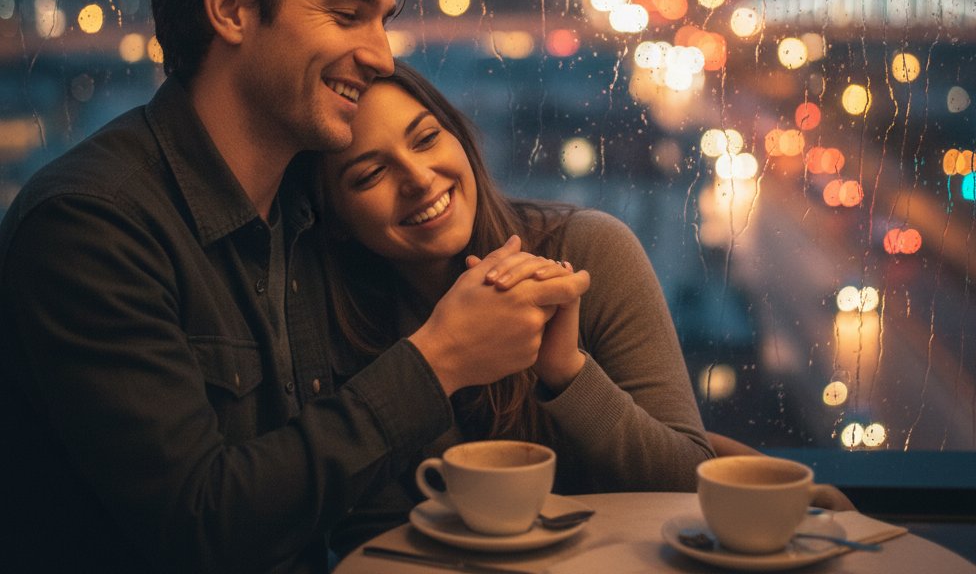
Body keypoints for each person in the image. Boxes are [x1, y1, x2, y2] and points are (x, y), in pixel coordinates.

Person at [0, 0, 590, 574]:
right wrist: (439, 361)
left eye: (382, 21)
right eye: (348, 16)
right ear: (232, 10)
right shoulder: (91, 227)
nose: (379, 56)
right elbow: (198, 525)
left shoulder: (310, 212)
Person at [318, 61, 854, 554]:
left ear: (459, 137)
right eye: (369, 175)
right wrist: (436, 361)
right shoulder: (335, 323)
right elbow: (364, 532)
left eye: (427, 138)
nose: (416, 178)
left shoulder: (587, 253)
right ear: (334, 218)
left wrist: (567, 373)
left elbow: (682, 481)